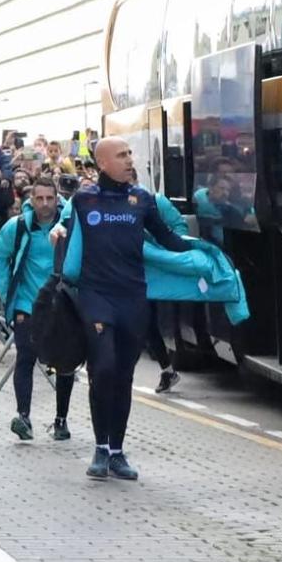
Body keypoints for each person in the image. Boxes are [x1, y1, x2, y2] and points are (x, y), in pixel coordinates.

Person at [49, 136, 195, 480]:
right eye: (122, 155)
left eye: (130, 153)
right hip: (96, 297)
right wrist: (57, 234)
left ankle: (117, 451)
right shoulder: (83, 199)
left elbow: (167, 239)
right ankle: (100, 449)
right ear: (102, 163)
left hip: (133, 298)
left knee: (123, 376)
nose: (130, 160)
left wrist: (203, 253)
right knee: (103, 369)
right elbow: (65, 234)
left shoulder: (142, 199)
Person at [0, 175, 78, 442]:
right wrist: (10, 295)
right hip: (27, 305)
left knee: (66, 364)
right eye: (39, 198)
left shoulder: (70, 226)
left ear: (57, 199)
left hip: (62, 304)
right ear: (31, 200)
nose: (44, 204)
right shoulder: (16, 227)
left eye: (50, 198)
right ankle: (24, 417)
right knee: (25, 357)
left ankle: (60, 421)